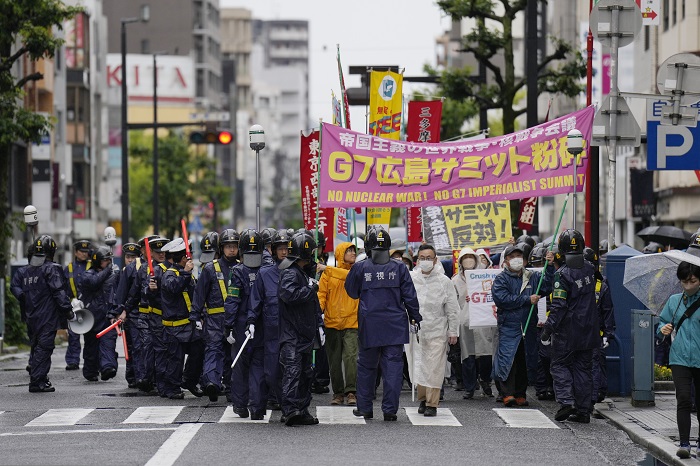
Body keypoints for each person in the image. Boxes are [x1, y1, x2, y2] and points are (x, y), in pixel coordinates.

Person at [345, 227, 422, 422]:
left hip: (369, 324)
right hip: (395, 325)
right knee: (393, 368)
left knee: (367, 367)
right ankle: (390, 410)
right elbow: (410, 297)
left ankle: (364, 408)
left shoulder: (361, 268)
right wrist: (415, 317)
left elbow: (352, 292)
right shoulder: (399, 268)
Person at [541, 229, 599, 424]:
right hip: (589, 329)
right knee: (583, 369)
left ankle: (567, 402)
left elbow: (558, 306)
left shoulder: (562, 275)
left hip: (568, 331)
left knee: (559, 365)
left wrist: (548, 328)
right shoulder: (591, 269)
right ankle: (583, 410)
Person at [492, 243, 554, 407]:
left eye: (519, 257)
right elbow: (502, 299)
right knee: (508, 360)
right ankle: (507, 393)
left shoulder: (532, 277)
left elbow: (547, 286)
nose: (516, 260)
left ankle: (520, 393)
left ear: (525, 261)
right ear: (506, 261)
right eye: (512, 257)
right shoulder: (501, 279)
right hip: (509, 326)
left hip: (528, 325)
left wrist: (549, 267)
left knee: (525, 360)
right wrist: (527, 300)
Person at [13, 235, 74, 392]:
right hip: (47, 316)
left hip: (31, 315)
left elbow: (16, 287)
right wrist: (68, 310)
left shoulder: (25, 271)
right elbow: (59, 292)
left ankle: (41, 377)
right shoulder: (51, 269)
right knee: (44, 347)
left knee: (37, 345)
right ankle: (37, 380)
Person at [278, 232, 324, 426]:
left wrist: (319, 324)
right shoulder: (290, 272)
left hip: (304, 332)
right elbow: (289, 295)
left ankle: (302, 409)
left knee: (306, 374)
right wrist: (310, 289)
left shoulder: (303, 272)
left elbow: (313, 304)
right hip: (292, 334)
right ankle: (290, 410)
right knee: (293, 372)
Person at [410, 243, 459, 416]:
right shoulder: (411, 279)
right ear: (417, 260)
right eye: (422, 258)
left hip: (437, 329)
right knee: (419, 365)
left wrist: (453, 331)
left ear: (435, 260)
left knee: (434, 367)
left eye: (429, 258)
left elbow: (452, 308)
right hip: (416, 332)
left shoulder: (444, 281)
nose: (425, 261)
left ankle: (432, 403)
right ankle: (423, 399)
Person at [658, 260, 700, 459]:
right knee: (683, 398)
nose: (688, 286)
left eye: (692, 281)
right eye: (684, 282)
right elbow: (663, 323)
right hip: (679, 357)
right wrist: (663, 329)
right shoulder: (674, 301)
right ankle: (684, 443)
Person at [191, 229, 238, 402]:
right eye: (228, 246)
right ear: (221, 248)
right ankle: (211, 383)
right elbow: (199, 294)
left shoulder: (242, 267)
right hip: (214, 320)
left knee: (233, 355)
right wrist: (195, 316)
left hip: (235, 320)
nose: (231, 250)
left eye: (234, 246)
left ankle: (233, 389)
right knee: (213, 350)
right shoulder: (210, 269)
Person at [248, 229, 291, 412]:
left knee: (293, 370)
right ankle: (281, 400)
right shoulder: (264, 274)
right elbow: (255, 300)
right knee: (271, 372)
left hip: (292, 330)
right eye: (279, 248)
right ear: (273, 250)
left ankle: (290, 407)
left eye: (286, 248)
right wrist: (250, 321)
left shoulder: (297, 272)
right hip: (271, 330)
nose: (283, 252)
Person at [225, 229, 265, 418]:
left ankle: (240, 404)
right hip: (262, 325)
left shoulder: (238, 271)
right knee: (258, 365)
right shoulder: (267, 270)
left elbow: (232, 300)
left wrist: (228, 325)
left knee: (241, 364)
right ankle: (257, 407)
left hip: (242, 326)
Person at [161, 238, 204, 399]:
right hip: (174, 326)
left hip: (189, 325)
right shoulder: (170, 274)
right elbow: (174, 288)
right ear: (180, 257)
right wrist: (186, 272)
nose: (190, 256)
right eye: (187, 254)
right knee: (175, 358)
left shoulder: (187, 273)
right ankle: (172, 387)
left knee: (199, 351)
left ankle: (190, 380)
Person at [317, 242, 359, 406]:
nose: (353, 254)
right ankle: (338, 392)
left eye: (354, 251)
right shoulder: (328, 275)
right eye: (349, 251)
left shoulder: (356, 271)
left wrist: (325, 268)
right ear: (341, 254)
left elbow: (346, 276)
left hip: (352, 322)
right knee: (333, 361)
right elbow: (322, 295)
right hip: (331, 322)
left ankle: (351, 391)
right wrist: (318, 312)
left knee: (350, 358)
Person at [452, 247, 496, 400]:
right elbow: (452, 302)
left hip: (483, 321)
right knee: (467, 356)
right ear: (461, 261)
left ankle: (485, 382)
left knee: (486, 354)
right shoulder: (455, 280)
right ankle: (469, 387)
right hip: (465, 321)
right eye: (465, 257)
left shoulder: (484, 277)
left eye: (471, 257)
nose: (468, 260)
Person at [81, 246, 119, 382]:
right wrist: (109, 269)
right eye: (105, 260)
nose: (108, 262)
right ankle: (90, 371)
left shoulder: (114, 275)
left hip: (108, 316)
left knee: (108, 343)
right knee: (91, 347)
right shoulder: (88, 275)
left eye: (109, 260)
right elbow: (93, 282)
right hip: (91, 318)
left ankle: (107, 367)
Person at [584, 247, 616, 406]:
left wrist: (607, 334)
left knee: (595, 363)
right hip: (581, 332)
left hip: (596, 333)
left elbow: (608, 311)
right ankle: (596, 391)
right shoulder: (575, 282)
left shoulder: (601, 285)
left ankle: (594, 394)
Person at [142, 237, 171, 396]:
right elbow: (142, 293)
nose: (161, 254)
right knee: (158, 350)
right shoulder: (151, 270)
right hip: (156, 316)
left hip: (174, 317)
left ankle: (172, 382)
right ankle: (160, 384)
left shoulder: (172, 268)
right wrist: (150, 289)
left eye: (164, 252)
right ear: (151, 253)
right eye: (157, 252)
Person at [111, 242, 141, 388]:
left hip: (139, 312)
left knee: (140, 346)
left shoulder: (141, 269)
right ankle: (131, 377)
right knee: (129, 346)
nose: (130, 260)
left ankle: (140, 375)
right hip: (127, 314)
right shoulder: (122, 272)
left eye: (133, 257)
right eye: (128, 257)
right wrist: (117, 313)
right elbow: (118, 295)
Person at [64, 239, 92, 370]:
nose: (84, 254)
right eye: (82, 251)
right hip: (73, 305)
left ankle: (90, 362)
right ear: (76, 252)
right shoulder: (69, 268)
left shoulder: (92, 266)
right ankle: (72, 360)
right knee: (73, 335)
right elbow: (63, 288)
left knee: (90, 336)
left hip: (89, 306)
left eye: (86, 252)